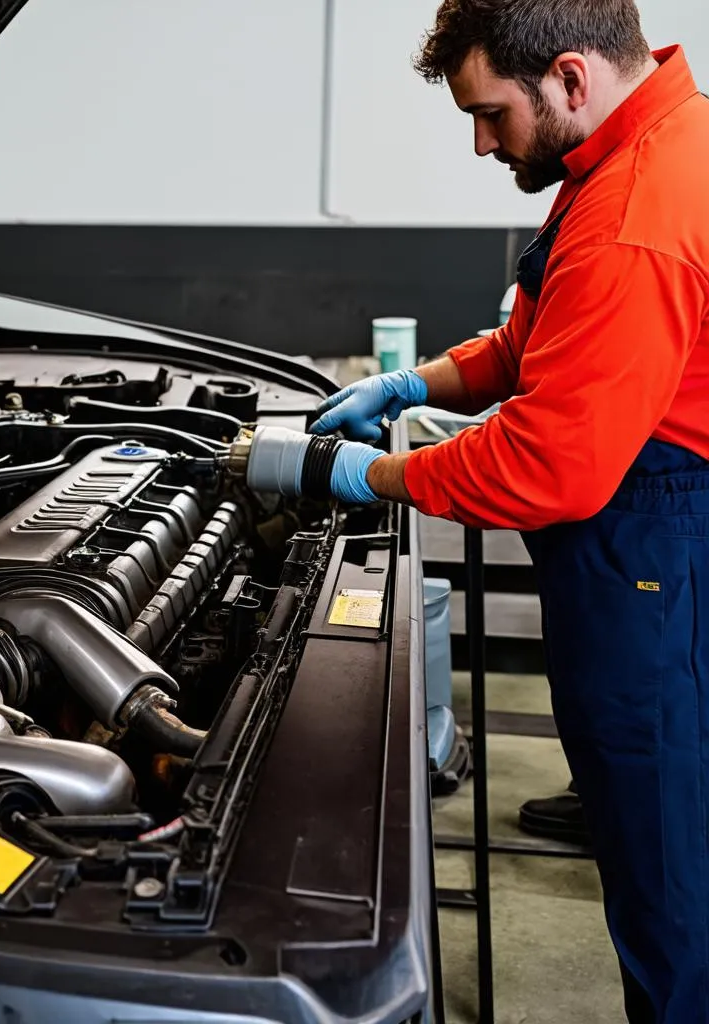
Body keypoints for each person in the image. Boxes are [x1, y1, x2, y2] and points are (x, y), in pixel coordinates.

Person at [246, 2, 709, 1021]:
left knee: (670, 868)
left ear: (571, 80)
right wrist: (411, 386)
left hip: (654, 544)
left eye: (491, 113)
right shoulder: (641, 145)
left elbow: (551, 465)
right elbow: (541, 345)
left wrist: (357, 475)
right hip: (642, 526)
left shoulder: (636, 210)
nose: (479, 140)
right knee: (641, 800)